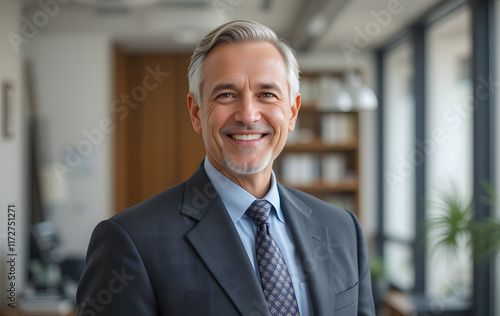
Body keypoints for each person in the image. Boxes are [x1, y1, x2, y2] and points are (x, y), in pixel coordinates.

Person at [76, 20, 375, 316]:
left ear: (292, 112)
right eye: (226, 95)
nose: (247, 114)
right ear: (196, 112)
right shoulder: (131, 241)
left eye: (267, 94)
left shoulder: (342, 229)